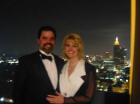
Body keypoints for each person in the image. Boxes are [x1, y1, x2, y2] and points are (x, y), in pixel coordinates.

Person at [12, 26, 64, 104]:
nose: (48, 41)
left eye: (51, 39)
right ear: (38, 40)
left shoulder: (61, 62)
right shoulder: (26, 61)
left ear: (54, 41)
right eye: (45, 38)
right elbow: (17, 92)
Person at [46, 33, 96, 104]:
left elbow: (88, 98)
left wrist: (65, 101)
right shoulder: (60, 66)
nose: (70, 49)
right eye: (67, 45)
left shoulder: (89, 69)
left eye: (74, 46)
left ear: (79, 48)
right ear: (64, 48)